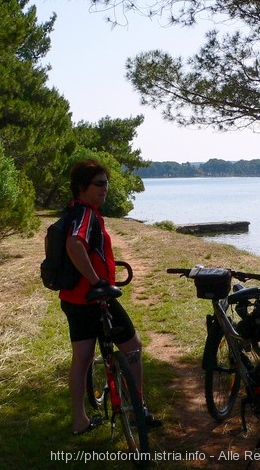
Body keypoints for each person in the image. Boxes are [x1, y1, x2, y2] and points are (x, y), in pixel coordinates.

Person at [59, 158, 161, 435]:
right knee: (134, 347)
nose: (106, 188)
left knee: (82, 358)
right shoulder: (86, 214)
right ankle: (138, 407)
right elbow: (74, 245)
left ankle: (79, 420)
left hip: (72, 299)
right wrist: (97, 281)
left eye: (107, 183)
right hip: (94, 298)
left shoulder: (72, 211)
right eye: (100, 183)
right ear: (82, 187)